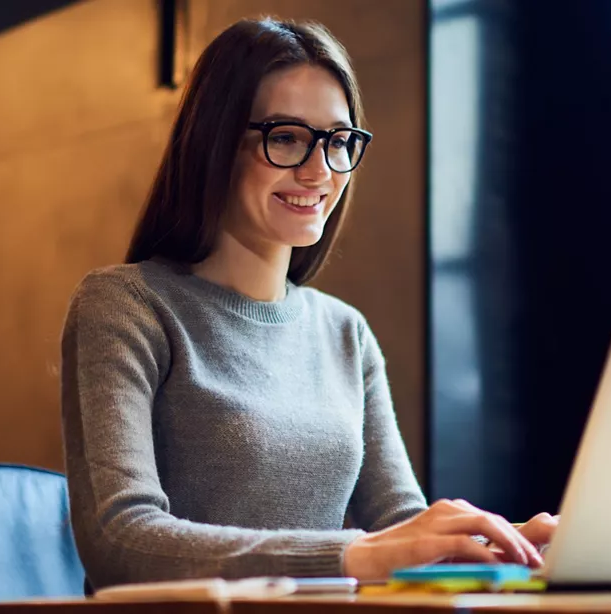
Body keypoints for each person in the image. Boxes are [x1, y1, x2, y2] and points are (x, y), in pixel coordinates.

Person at [59, 18, 558, 588]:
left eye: (339, 141)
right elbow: (121, 539)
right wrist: (351, 556)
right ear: (214, 142)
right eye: (287, 137)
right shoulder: (125, 305)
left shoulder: (345, 332)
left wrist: (519, 542)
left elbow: (399, 527)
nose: (320, 170)